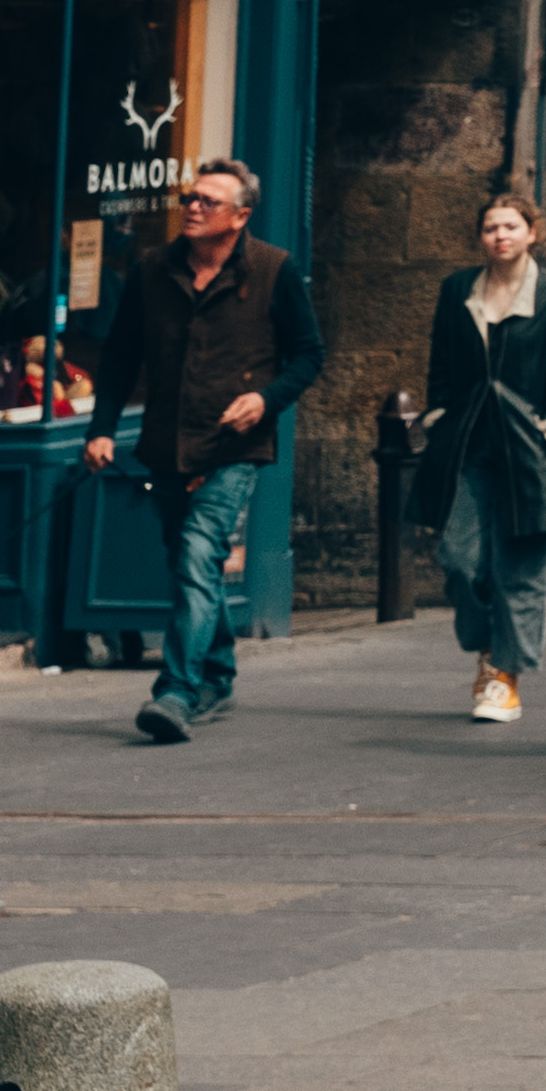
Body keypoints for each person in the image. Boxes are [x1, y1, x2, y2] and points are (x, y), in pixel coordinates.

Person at [82, 157, 323, 745]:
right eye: (189, 197)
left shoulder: (274, 269)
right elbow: (120, 357)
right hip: (166, 441)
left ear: (240, 216)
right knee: (189, 563)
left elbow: (308, 355)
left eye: (208, 201)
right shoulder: (152, 269)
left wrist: (265, 400)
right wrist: (101, 428)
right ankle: (216, 675)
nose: (192, 207)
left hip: (234, 445)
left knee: (197, 553)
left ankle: (176, 692)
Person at [417, 182, 546, 726]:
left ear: (532, 233)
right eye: (490, 228)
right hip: (468, 442)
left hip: (528, 445)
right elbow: (442, 361)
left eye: (511, 226)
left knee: (520, 566)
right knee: (459, 559)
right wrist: (437, 413)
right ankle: (487, 647)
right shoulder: (457, 290)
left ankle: (504, 677)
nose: (500, 236)